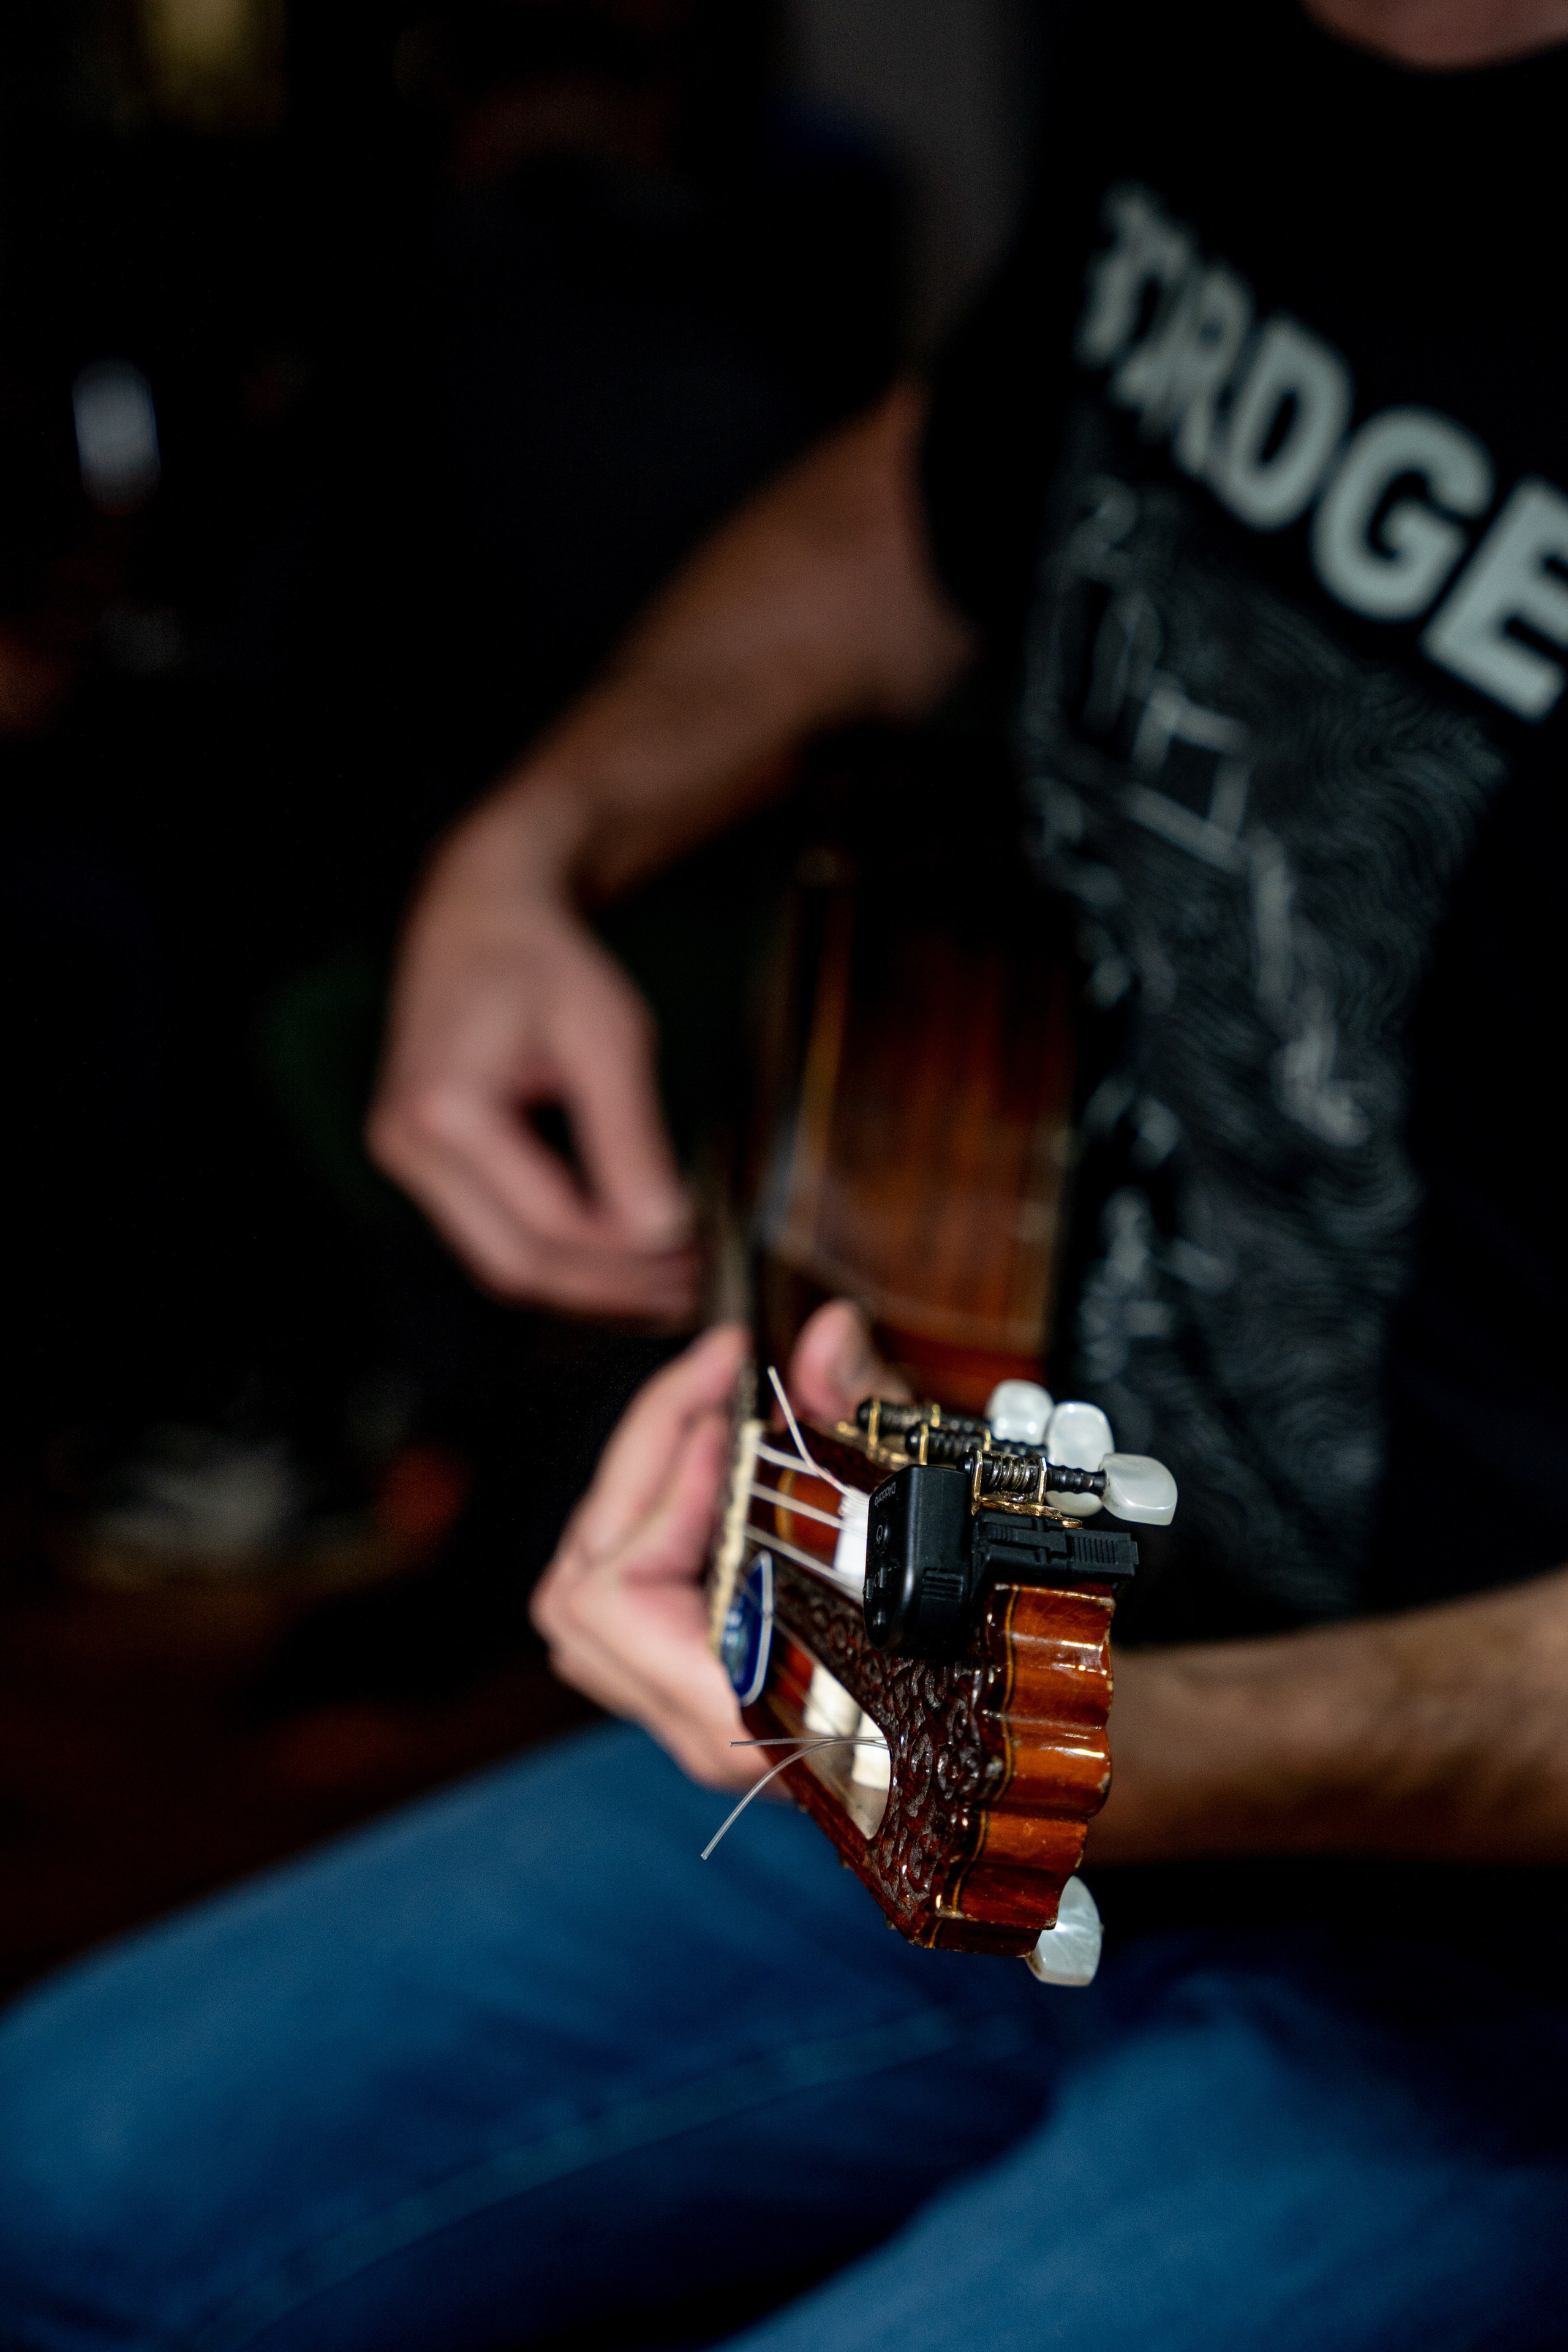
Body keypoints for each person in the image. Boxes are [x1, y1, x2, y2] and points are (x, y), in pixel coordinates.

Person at [6, 0, 1568, 2343]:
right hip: (988, 1655)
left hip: (1473, 1975)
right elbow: (945, 482)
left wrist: (1082, 1761)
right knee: (52, 2183)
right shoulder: (1255, 55)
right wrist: (540, 841)